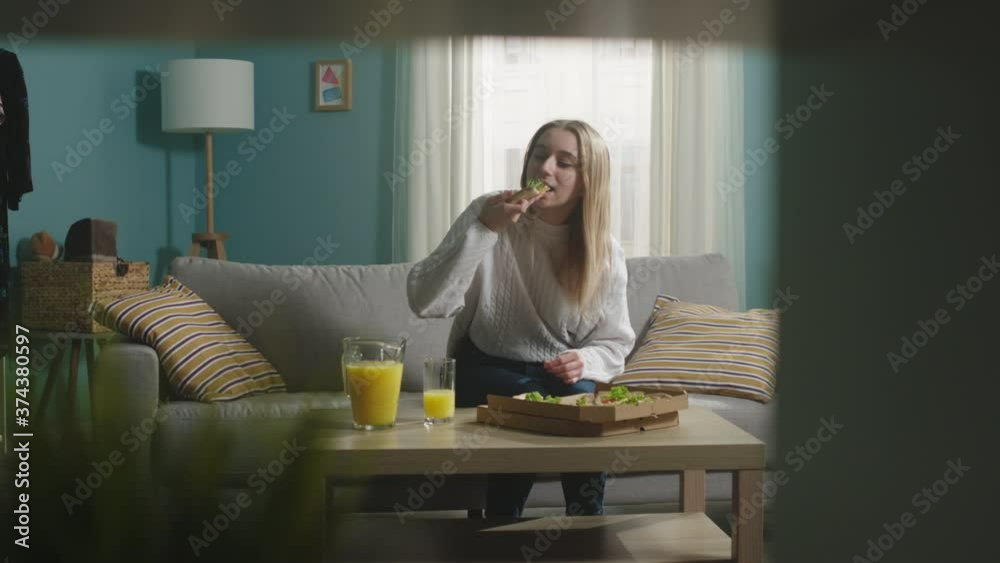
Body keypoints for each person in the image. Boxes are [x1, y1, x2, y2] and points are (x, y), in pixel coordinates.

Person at [406, 119, 636, 518]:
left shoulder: (604, 251)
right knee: (529, 402)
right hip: (483, 366)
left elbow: (615, 342)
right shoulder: (488, 212)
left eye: (564, 162)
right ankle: (500, 526)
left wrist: (584, 360)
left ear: (587, 182)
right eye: (539, 155)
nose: (545, 169)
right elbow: (426, 301)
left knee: (582, 403)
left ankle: (586, 527)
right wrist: (485, 230)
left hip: (556, 374)